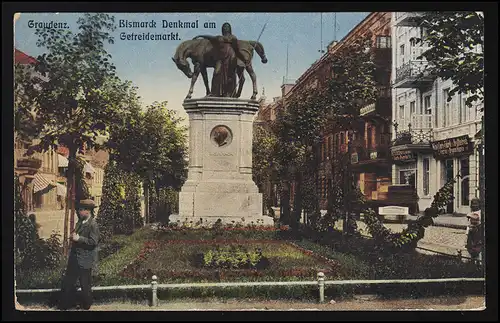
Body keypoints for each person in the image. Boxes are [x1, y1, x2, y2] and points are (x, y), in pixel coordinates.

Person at [59, 199, 99, 310]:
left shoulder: (93, 224)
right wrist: (73, 235)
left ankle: (86, 306)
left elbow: (93, 242)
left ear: (88, 211)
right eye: (79, 209)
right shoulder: (80, 222)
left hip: (85, 259)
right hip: (75, 257)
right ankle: (67, 304)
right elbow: (76, 234)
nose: (79, 212)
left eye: (81, 210)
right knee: (69, 282)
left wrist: (79, 238)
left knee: (84, 284)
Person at [193, 22, 249, 97]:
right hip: (220, 58)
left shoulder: (233, 38)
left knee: (230, 76)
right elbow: (210, 37)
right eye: (224, 27)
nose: (226, 28)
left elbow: (237, 50)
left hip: (230, 57)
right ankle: (214, 93)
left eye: (227, 27)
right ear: (222, 29)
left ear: (230, 29)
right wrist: (200, 35)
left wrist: (244, 59)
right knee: (216, 73)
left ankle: (228, 93)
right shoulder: (219, 37)